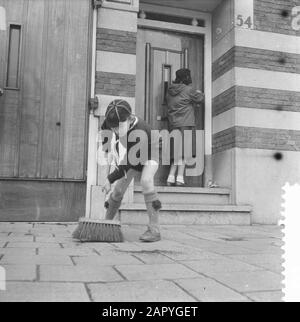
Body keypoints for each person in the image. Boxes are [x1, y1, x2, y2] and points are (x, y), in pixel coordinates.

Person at [101, 99, 161, 242]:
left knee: (146, 181)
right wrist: (107, 147)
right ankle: (106, 225)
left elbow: (128, 164)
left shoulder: (140, 130)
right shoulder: (112, 120)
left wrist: (109, 179)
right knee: (118, 190)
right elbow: (105, 130)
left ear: (129, 119)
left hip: (150, 151)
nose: (115, 131)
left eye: (118, 127)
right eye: (113, 127)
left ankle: (154, 230)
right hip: (133, 154)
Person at [166, 68, 204, 186]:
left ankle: (170, 177)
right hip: (186, 124)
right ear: (186, 77)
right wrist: (198, 92)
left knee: (176, 152)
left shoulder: (169, 91)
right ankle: (180, 178)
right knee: (183, 152)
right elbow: (200, 98)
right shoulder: (188, 90)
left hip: (173, 125)